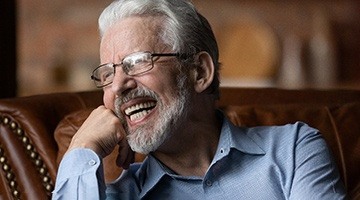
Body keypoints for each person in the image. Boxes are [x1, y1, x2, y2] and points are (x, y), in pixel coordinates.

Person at [52, 0, 346, 199]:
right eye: (108, 73)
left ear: (199, 72)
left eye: (138, 62)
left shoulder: (293, 152)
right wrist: (82, 148)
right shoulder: (119, 195)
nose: (118, 86)